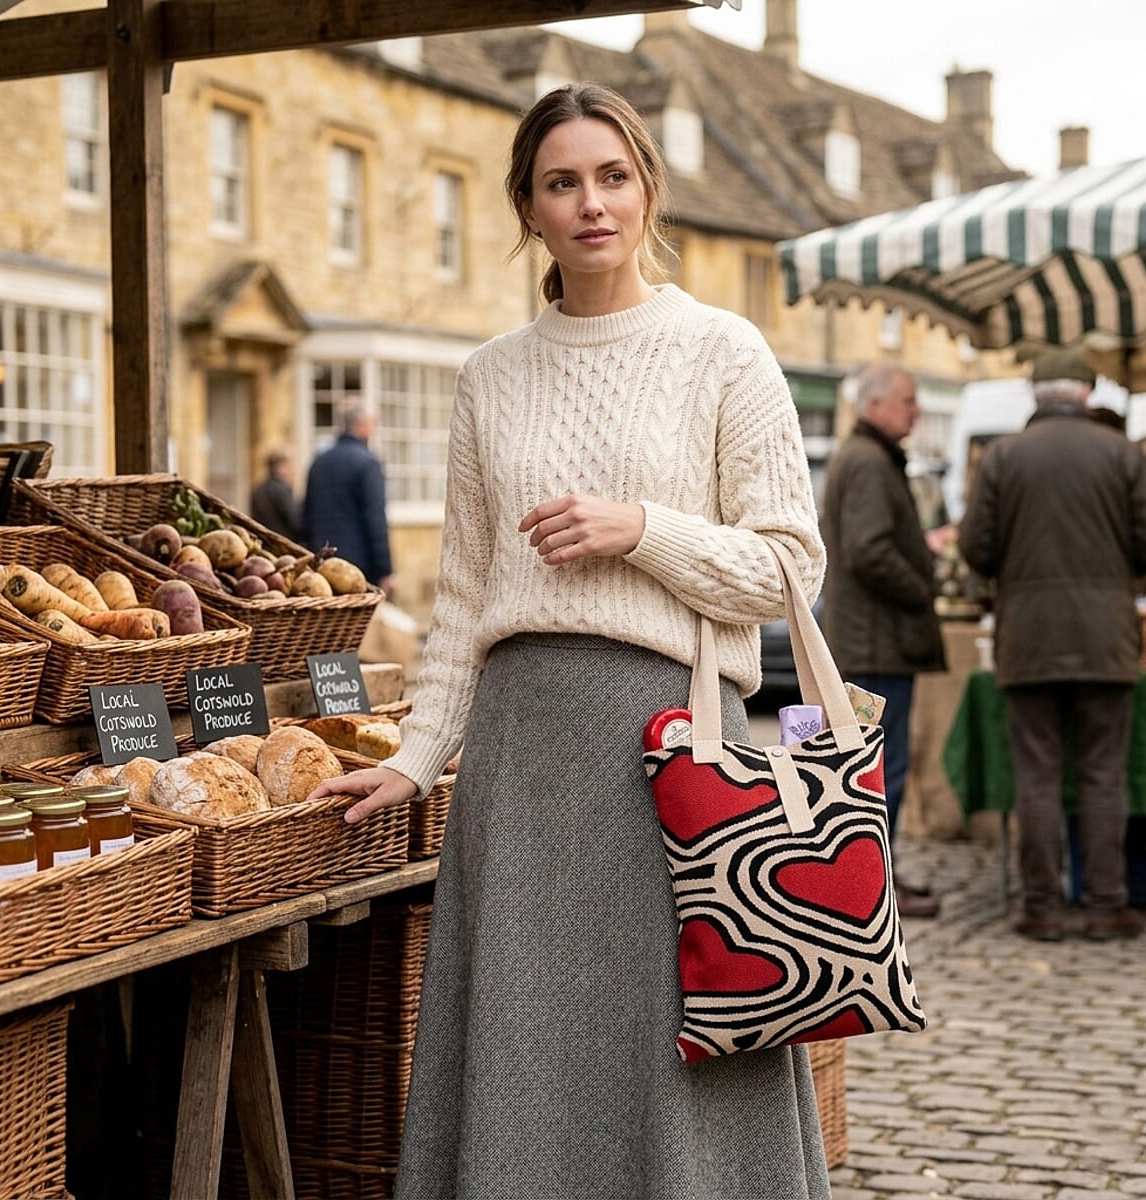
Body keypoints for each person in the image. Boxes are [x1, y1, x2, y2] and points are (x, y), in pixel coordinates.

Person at [309, 82, 831, 1199]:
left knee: (673, 1043)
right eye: (562, 183)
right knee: (525, 1052)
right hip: (522, 759)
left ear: (646, 188)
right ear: (529, 209)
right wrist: (411, 760)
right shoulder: (490, 376)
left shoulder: (722, 351)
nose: (591, 203)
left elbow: (790, 566)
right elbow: (463, 601)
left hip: (674, 751)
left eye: (612, 177)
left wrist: (642, 530)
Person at [958, 347, 1146, 942]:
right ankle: (1106, 905)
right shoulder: (1122, 454)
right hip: (1106, 637)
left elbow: (975, 547)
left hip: (1028, 639)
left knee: (1038, 776)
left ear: (1035, 393)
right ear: (1087, 392)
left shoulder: (1002, 456)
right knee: (1105, 775)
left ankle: (1042, 907)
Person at [820, 364, 947, 919]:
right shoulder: (869, 462)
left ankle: (870, 881)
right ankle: (870, 889)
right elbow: (869, 551)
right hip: (875, 645)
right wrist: (922, 586)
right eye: (908, 400)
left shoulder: (866, 457)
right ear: (875, 405)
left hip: (871, 641)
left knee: (864, 769)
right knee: (874, 771)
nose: (916, 410)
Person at [303, 405, 395, 595]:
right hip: (358, 567)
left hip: (321, 561)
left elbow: (306, 515)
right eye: (372, 424)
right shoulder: (368, 462)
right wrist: (385, 569)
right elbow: (375, 519)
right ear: (361, 425)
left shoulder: (319, 461)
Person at [249, 448, 304, 545]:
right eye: (289, 465)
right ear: (280, 467)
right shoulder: (281, 490)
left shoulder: (258, 489)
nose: (292, 470)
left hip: (264, 542)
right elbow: (295, 522)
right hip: (282, 544)